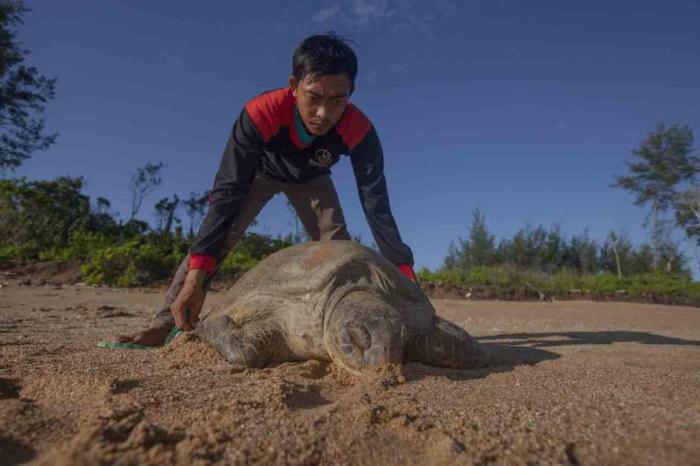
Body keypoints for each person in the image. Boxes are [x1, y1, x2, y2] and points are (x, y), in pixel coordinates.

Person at [117, 33, 416, 347]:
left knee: (339, 248)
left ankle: (345, 325)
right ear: (293, 85)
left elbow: (376, 204)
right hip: (260, 173)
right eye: (313, 97)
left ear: (351, 94)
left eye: (337, 101)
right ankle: (164, 324)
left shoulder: (359, 129)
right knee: (221, 234)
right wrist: (196, 275)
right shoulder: (261, 113)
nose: (323, 114)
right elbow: (227, 195)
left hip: (313, 179)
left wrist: (405, 274)